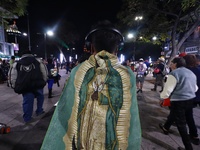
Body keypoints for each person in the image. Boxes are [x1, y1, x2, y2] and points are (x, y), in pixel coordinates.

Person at [41, 20, 141, 150]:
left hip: (83, 142)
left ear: (91, 46)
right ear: (117, 48)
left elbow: (66, 109)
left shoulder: (79, 71)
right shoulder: (127, 75)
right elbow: (131, 116)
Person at [159, 57, 198, 150]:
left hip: (179, 101)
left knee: (181, 125)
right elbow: (195, 88)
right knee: (181, 116)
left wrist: (162, 98)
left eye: (172, 63)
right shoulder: (190, 72)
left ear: (176, 64)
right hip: (190, 99)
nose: (170, 64)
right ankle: (166, 127)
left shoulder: (174, 74)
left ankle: (188, 148)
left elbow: (167, 90)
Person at [8, 50, 48, 123]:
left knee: (27, 101)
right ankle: (39, 111)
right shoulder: (38, 61)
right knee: (40, 97)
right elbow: (44, 72)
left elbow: (13, 75)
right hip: (38, 84)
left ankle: (27, 118)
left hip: (25, 86)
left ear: (22, 55)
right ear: (31, 54)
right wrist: (44, 81)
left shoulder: (17, 63)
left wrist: (14, 86)